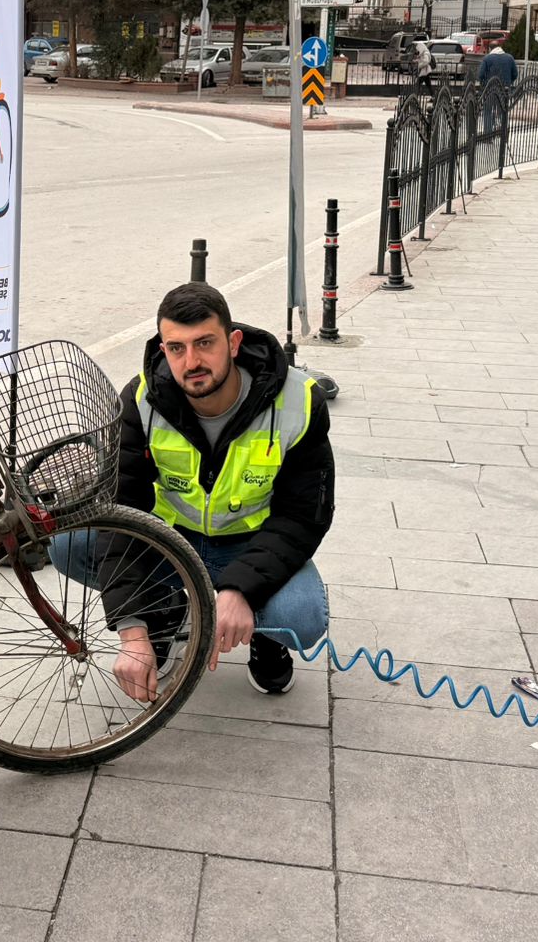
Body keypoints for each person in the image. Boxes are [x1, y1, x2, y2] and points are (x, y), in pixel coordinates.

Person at [56, 282, 334, 701]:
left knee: (302, 615)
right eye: (177, 348)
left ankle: (263, 634)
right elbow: (120, 510)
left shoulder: (298, 401)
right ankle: (164, 609)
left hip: (250, 543)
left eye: (205, 343)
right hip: (172, 542)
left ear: (233, 342)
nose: (192, 361)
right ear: (163, 348)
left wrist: (242, 590)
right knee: (68, 544)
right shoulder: (141, 400)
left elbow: (303, 514)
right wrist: (132, 631)